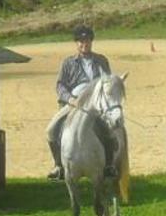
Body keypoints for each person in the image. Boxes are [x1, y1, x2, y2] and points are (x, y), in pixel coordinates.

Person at [47, 24, 120, 181]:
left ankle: (109, 165)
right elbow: (60, 85)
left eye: (87, 41)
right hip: (74, 103)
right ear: (76, 43)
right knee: (51, 130)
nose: (84, 44)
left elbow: (108, 84)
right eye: (81, 41)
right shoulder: (68, 63)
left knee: (110, 132)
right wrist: (70, 99)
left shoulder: (101, 60)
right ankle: (58, 165)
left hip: (96, 105)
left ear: (91, 42)